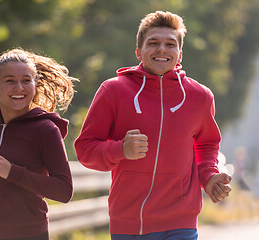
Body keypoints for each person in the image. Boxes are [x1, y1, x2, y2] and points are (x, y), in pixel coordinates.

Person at [74, 11, 232, 240]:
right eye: (153, 43)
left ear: (179, 54)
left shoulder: (200, 96)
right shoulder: (114, 91)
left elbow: (207, 146)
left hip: (181, 221)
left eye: (170, 44)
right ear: (139, 51)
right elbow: (85, 150)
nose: (162, 49)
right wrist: (120, 149)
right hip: (129, 222)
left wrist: (209, 176)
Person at [0, 48, 78, 240]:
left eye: (26, 80)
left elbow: (64, 190)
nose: (19, 88)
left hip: (26, 234)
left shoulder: (46, 130)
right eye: (10, 81)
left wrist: (12, 172)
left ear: (34, 84)